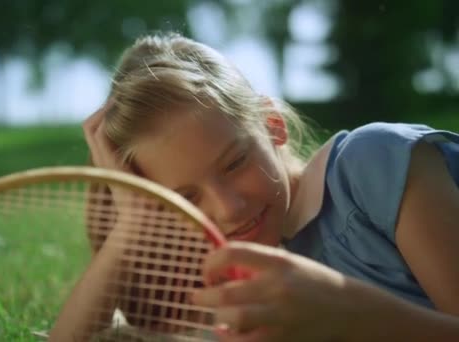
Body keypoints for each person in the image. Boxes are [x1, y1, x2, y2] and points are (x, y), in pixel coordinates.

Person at [50, 32, 459, 341]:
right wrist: (131, 226)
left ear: (272, 124)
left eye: (235, 163)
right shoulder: (233, 282)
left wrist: (348, 311)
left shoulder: (371, 165)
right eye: (185, 198)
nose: (227, 208)